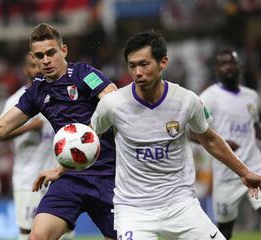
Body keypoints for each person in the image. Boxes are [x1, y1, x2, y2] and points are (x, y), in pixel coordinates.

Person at [0, 23, 117, 240]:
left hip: (106, 175)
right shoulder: (37, 92)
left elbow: (112, 100)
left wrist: (84, 137)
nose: (45, 60)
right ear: (33, 58)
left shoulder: (84, 74)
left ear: (63, 50)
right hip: (70, 178)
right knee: (36, 237)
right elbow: (0, 128)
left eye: (50, 53)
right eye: (39, 55)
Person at [90, 30, 261, 240]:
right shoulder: (112, 104)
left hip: (181, 205)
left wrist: (243, 172)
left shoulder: (187, 100)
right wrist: (62, 167)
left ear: (163, 62)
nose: (137, 72)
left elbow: (209, 139)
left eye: (144, 64)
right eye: (132, 65)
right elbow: (88, 140)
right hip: (134, 210)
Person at [0, 54, 74, 240]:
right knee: (28, 233)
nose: (37, 68)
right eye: (32, 65)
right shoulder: (15, 100)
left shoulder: (59, 94)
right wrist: (29, 126)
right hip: (28, 178)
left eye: (38, 64)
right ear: (26, 70)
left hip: (57, 176)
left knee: (65, 233)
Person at [198, 49, 261, 240]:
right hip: (226, 174)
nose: (229, 67)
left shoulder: (251, 96)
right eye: (224, 64)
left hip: (255, 167)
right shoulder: (208, 97)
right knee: (225, 231)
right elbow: (193, 131)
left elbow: (255, 127)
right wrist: (221, 144)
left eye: (232, 63)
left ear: (239, 66)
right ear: (217, 69)